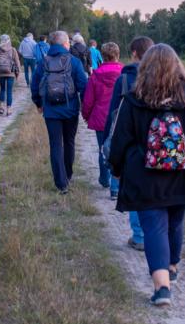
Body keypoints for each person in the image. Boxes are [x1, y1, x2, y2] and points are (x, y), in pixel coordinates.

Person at [107, 44, 185, 306]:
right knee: (175, 222)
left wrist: (116, 170)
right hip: (184, 174)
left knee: (154, 226)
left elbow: (120, 140)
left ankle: (162, 288)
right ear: (177, 65)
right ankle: (172, 266)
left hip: (144, 176)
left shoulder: (134, 99)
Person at [104, 36, 154, 251]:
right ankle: (157, 236)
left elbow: (114, 114)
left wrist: (109, 141)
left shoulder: (124, 80)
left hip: (133, 143)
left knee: (135, 187)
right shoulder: (165, 77)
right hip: (160, 142)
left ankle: (140, 236)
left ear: (134, 53)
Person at [31, 30, 88, 194]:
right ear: (64, 44)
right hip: (70, 109)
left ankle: (61, 183)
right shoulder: (74, 62)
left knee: (56, 144)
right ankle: (68, 175)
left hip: (50, 110)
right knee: (69, 142)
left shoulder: (43, 62)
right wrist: (84, 105)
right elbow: (83, 85)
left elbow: (35, 85)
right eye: (68, 43)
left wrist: (38, 103)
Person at [81, 42, 123, 199]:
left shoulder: (96, 75)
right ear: (117, 55)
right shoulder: (124, 72)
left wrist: (86, 115)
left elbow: (88, 100)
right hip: (121, 117)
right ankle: (115, 186)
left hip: (101, 118)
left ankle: (104, 179)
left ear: (103, 56)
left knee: (103, 149)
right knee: (120, 150)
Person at [0, 34, 20, 116]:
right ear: (9, 40)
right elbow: (17, 62)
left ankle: (1, 107)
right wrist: (18, 72)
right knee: (9, 91)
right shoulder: (13, 50)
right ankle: (8, 109)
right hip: (10, 73)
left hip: (1, 72)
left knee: (2, 89)